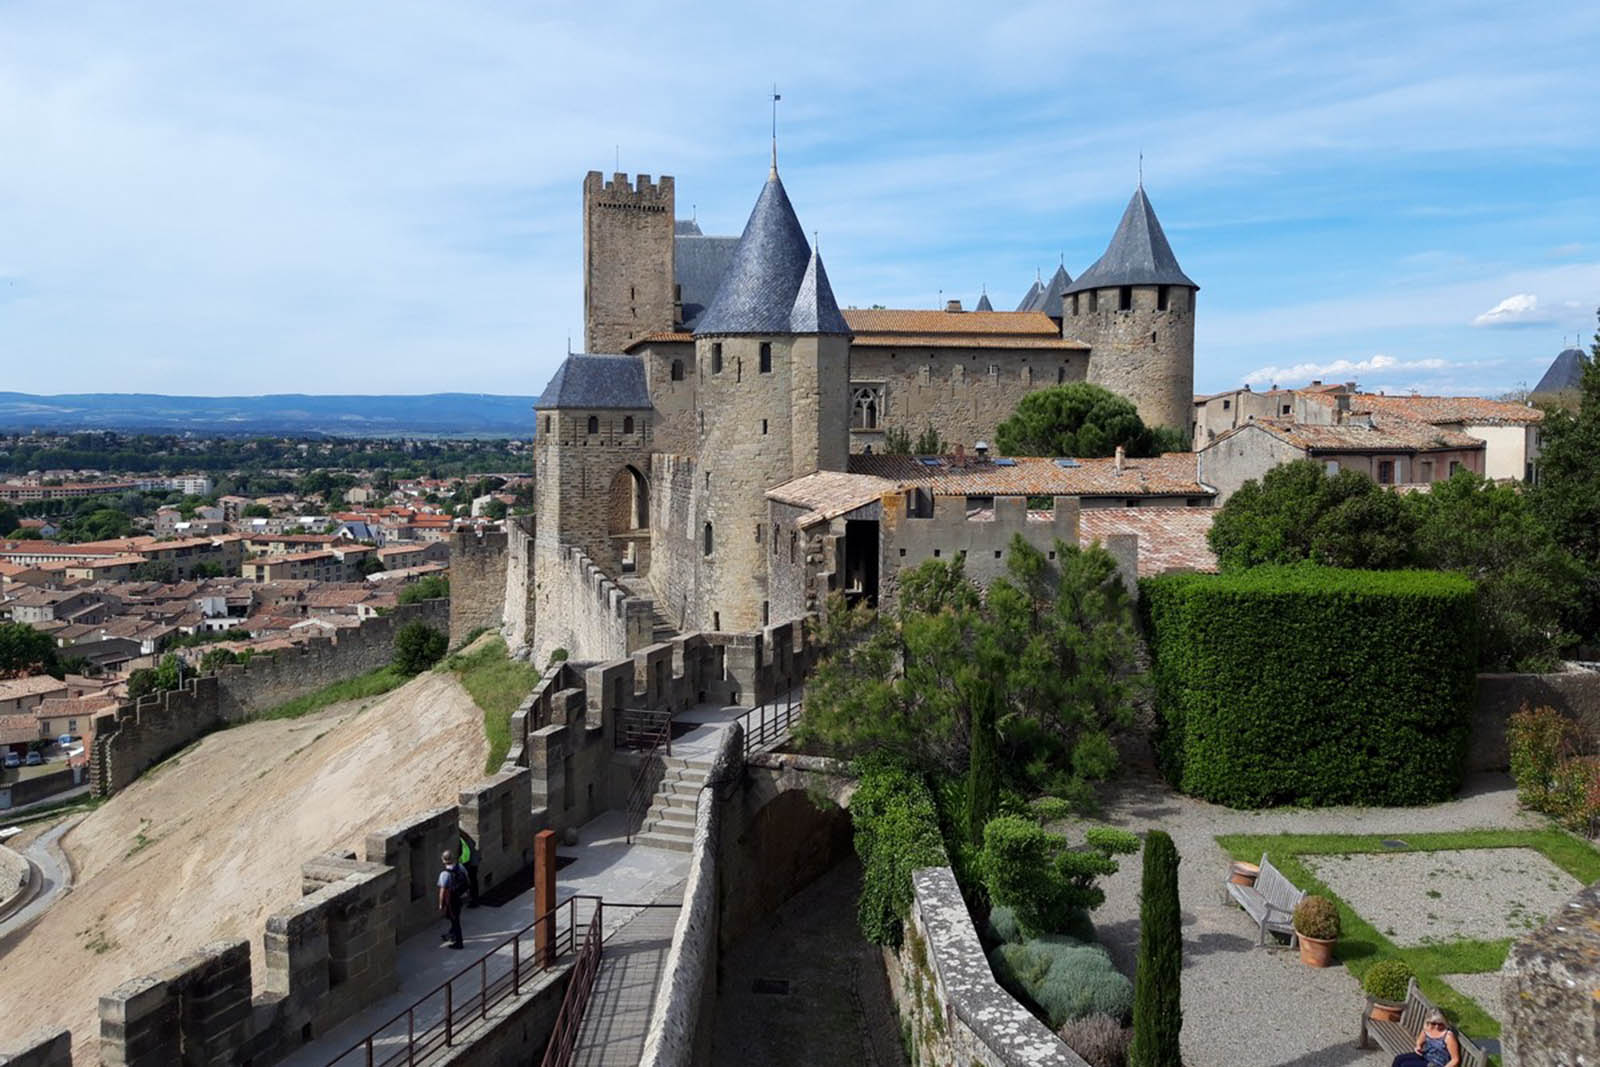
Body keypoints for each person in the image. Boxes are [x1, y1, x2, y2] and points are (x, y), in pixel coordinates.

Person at [1392, 1010, 1461, 1067]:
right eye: (1434, 1023)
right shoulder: (1427, 1029)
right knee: (1398, 1059)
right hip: (1426, 1056)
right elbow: (1419, 1041)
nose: (1437, 1026)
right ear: (1428, 1022)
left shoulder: (1448, 1036)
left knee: (1405, 1065)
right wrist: (1418, 1046)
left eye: (1440, 1024)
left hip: (1437, 1063)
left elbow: (1455, 1059)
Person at [437, 849, 467, 949]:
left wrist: (441, 904)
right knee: (455, 918)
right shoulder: (460, 867)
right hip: (460, 897)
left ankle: (459, 942)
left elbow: (442, 891)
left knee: (455, 920)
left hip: (451, 900)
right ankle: (451, 934)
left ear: (443, 860)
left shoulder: (444, 874)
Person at [458, 830, 481, 908]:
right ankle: (474, 900)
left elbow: (464, 854)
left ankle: (473, 901)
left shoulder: (460, 840)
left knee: (470, 883)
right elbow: (473, 843)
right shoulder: (466, 838)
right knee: (473, 882)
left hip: (469, 863)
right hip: (473, 862)